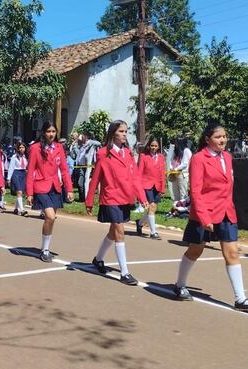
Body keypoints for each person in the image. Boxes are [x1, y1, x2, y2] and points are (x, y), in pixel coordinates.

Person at [172, 122, 248, 311]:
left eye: (224, 136)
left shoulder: (227, 157)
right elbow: (195, 191)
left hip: (226, 211)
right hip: (205, 213)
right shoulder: (199, 159)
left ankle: (240, 298)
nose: (223, 140)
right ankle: (180, 285)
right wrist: (205, 218)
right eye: (218, 137)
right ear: (207, 139)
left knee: (232, 252)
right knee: (195, 251)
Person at [85, 120, 148, 286]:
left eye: (126, 131)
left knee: (113, 232)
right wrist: (89, 200)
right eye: (121, 131)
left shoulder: (127, 153)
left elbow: (135, 178)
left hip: (125, 197)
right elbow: (96, 178)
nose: (124, 134)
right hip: (110, 197)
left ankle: (98, 259)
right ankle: (125, 273)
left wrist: (141, 197)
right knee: (120, 230)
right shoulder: (103, 153)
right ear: (113, 133)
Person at [26, 122, 74, 262]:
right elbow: (30, 171)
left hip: (55, 187)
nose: (51, 134)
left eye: (53, 131)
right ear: (43, 132)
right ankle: (44, 250)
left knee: (51, 220)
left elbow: (64, 170)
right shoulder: (35, 148)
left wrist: (69, 189)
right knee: (50, 217)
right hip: (40, 186)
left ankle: (45, 248)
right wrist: (29, 193)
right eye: (48, 131)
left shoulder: (59, 147)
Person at [135, 137, 165, 240]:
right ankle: (153, 232)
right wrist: (138, 188)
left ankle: (139, 223)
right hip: (146, 185)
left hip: (157, 186)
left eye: (155, 146)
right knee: (151, 207)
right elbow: (139, 173)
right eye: (152, 145)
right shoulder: (143, 156)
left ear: (158, 147)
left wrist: (162, 189)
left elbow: (162, 173)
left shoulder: (161, 157)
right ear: (148, 146)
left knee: (153, 208)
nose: (153, 147)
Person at [7, 141, 29, 216]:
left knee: (20, 193)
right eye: (20, 147)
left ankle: (16, 208)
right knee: (19, 191)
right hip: (16, 173)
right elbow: (11, 167)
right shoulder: (14, 156)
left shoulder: (26, 157)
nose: (21, 149)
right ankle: (22, 210)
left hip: (23, 174)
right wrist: (8, 178)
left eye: (23, 147)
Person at [168, 138, 192, 203]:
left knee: (183, 193)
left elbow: (185, 163)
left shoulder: (186, 150)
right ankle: (175, 209)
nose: (175, 145)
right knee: (175, 192)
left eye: (176, 143)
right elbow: (171, 160)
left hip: (182, 174)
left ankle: (182, 209)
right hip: (174, 173)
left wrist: (176, 169)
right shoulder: (175, 150)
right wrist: (171, 167)